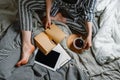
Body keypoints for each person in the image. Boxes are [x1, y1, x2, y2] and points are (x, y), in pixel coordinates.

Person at [17, 0, 96, 67]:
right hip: (56, 4)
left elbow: (89, 12)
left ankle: (62, 19)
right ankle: (27, 44)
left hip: (77, 12)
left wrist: (89, 36)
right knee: (24, 2)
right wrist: (48, 15)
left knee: (92, 30)